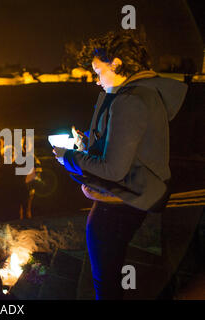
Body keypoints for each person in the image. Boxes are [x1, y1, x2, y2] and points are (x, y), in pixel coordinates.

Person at [52, 31, 188, 300]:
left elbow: (114, 170)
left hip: (118, 207)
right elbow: (130, 147)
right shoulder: (143, 94)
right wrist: (88, 143)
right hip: (128, 202)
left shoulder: (130, 100)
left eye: (97, 70)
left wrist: (67, 156)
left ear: (115, 64)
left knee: (106, 284)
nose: (96, 79)